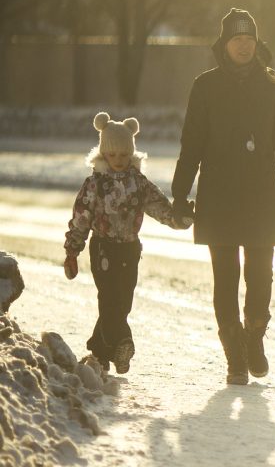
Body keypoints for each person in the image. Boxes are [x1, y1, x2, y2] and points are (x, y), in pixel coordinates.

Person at [172, 8, 275, 386]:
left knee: (260, 277)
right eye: (237, 39)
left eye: (249, 39)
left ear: (257, 43)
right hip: (218, 194)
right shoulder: (205, 86)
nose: (244, 45)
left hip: (260, 195)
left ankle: (254, 336)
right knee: (225, 277)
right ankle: (234, 355)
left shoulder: (271, 86)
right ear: (224, 45)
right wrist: (178, 193)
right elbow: (191, 144)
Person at [63, 112, 192, 374]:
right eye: (113, 155)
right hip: (103, 249)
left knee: (123, 302)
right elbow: (81, 219)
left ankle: (99, 351)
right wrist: (72, 251)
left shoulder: (139, 183)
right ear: (103, 154)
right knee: (109, 299)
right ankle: (123, 344)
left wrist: (181, 219)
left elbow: (160, 208)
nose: (119, 161)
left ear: (131, 153)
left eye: (124, 155)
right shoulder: (95, 184)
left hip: (130, 249)